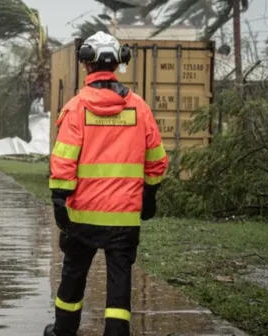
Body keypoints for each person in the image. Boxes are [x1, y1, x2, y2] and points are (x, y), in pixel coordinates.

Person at [44, 31, 168, 336]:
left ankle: (63, 331)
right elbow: (157, 161)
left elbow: (63, 161)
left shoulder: (76, 108)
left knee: (73, 273)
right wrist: (149, 195)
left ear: (87, 64)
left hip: (82, 215)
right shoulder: (139, 108)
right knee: (119, 280)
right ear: (118, 64)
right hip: (124, 218)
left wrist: (60, 200)